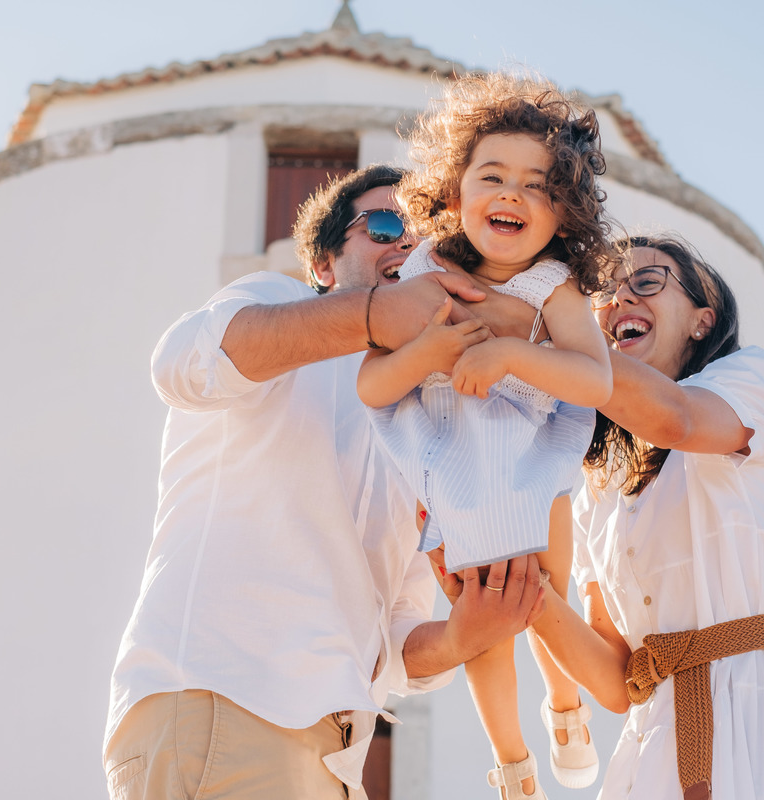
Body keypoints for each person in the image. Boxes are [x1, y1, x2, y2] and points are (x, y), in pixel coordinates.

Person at [102, 164, 548, 800]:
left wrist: (460, 638)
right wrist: (373, 316)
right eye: (385, 225)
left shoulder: (423, 432)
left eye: (426, 238)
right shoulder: (273, 303)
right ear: (322, 264)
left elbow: (395, 638)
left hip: (333, 757)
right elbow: (183, 364)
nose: (408, 244)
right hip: (222, 705)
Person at [528, 234, 764, 800]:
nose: (620, 300)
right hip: (656, 743)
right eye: (607, 294)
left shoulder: (750, 380)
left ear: (701, 319)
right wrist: (531, 601)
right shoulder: (601, 485)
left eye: (646, 282)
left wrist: (550, 349)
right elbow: (618, 680)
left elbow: (677, 419)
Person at [357, 73, 613, 800]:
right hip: (454, 466)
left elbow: (595, 380)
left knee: (546, 594)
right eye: (492, 176)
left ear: (564, 213)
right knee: (481, 620)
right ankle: (512, 763)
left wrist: (507, 355)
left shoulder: (556, 285)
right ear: (454, 192)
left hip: (533, 452)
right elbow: (373, 387)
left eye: (537, 186)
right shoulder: (421, 273)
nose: (512, 194)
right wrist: (429, 353)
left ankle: (564, 705)